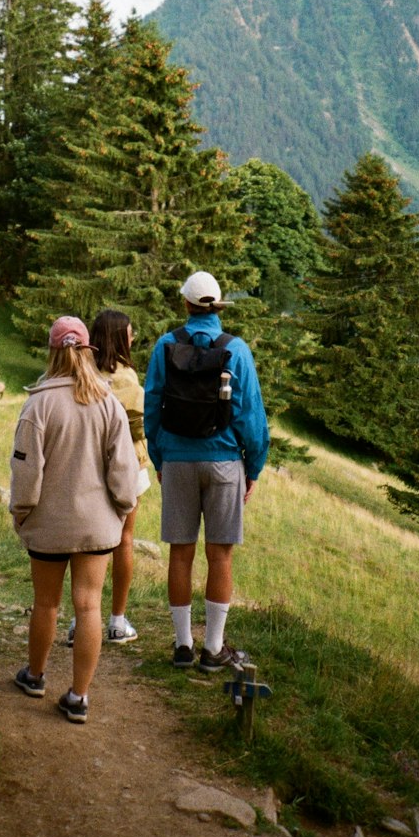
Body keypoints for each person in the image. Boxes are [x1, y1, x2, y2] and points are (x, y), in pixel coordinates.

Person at [10, 315, 140, 724]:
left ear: (52, 352)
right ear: (88, 351)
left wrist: (23, 513)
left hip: (49, 524)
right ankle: (79, 697)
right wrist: (120, 510)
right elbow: (124, 471)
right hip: (97, 525)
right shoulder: (107, 402)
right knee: (89, 606)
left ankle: (34, 676)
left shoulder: (38, 403)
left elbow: (26, 472)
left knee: (45, 603)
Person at [144, 272, 269, 672]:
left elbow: (151, 410)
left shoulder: (165, 345)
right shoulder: (237, 350)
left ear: (186, 304)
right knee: (220, 556)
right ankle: (212, 649)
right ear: (217, 307)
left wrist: (160, 457)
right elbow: (252, 417)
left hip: (177, 460)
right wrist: (253, 468)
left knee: (181, 554)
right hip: (225, 462)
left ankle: (182, 646)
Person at [65, 308, 150, 646]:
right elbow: (137, 430)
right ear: (119, 337)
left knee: (85, 542)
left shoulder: (80, 375)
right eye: (129, 334)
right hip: (128, 467)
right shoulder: (128, 379)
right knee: (124, 540)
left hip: (86, 466)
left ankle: (79, 620)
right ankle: (116, 620)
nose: (132, 339)